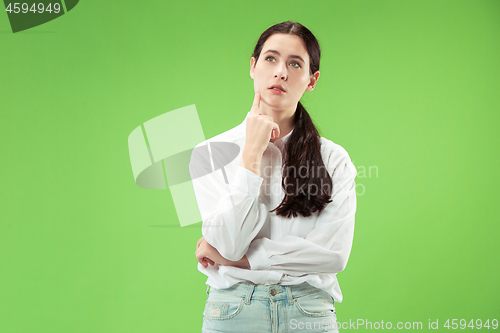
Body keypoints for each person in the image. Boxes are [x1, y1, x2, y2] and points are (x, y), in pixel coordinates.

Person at [190, 21, 357, 333]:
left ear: (312, 80)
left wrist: (239, 262)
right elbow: (229, 242)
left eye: (295, 63)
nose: (281, 71)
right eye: (271, 58)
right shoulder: (208, 154)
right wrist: (251, 155)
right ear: (253, 67)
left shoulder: (334, 160)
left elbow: (333, 256)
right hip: (233, 311)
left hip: (309, 312)